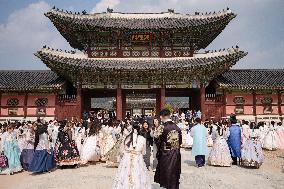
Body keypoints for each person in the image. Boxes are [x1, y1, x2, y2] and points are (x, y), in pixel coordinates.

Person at [112, 122, 151, 189]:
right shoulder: (142, 139)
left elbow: (122, 150)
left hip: (127, 158)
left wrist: (129, 152)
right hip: (137, 158)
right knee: (137, 174)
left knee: (125, 175)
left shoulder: (126, 138)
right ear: (139, 129)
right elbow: (144, 152)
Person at [154, 109, 182, 189]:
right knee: (175, 171)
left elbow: (156, 139)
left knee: (167, 171)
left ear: (161, 117)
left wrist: (162, 147)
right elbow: (180, 141)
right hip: (176, 151)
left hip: (166, 152)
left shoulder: (162, 127)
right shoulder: (177, 127)